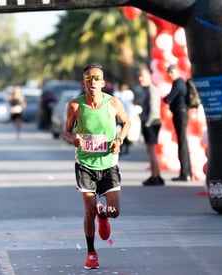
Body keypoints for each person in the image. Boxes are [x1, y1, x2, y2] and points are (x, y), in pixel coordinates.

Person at [63, 63, 131, 270]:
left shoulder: (113, 103)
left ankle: (105, 216)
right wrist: (72, 139)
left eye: (96, 78)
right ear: (83, 82)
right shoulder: (75, 106)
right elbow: (65, 132)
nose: (92, 82)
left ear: (102, 82)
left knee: (115, 211)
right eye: (88, 78)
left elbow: (127, 123)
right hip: (84, 164)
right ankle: (91, 252)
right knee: (89, 209)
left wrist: (118, 140)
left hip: (109, 163)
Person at [164, 64, 192, 181]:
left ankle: (185, 173)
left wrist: (165, 99)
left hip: (180, 113)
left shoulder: (179, 84)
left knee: (182, 143)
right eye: (168, 72)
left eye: (172, 71)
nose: (170, 74)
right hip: (180, 113)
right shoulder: (178, 83)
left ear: (177, 72)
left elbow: (168, 98)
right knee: (182, 142)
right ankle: (186, 173)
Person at [137, 66, 164, 186]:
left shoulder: (152, 89)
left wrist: (147, 124)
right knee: (150, 150)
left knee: (152, 151)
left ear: (149, 77)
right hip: (147, 122)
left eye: (142, 76)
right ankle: (155, 174)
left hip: (152, 122)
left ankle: (156, 176)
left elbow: (154, 109)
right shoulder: (144, 90)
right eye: (139, 76)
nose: (140, 79)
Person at [114, 82, 135, 154]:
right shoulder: (119, 94)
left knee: (124, 132)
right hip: (119, 115)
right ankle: (120, 147)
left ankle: (125, 147)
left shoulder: (128, 93)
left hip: (126, 115)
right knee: (118, 132)